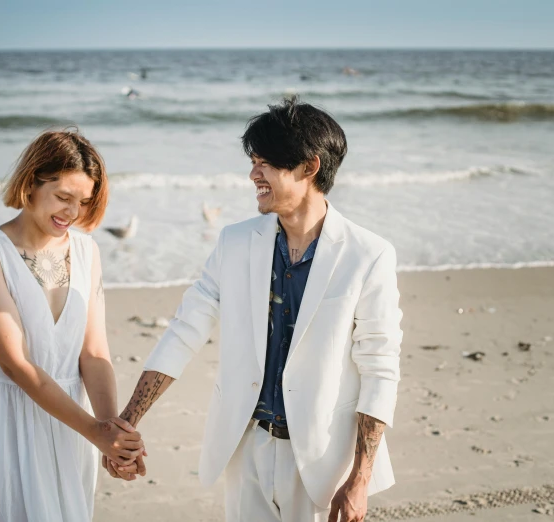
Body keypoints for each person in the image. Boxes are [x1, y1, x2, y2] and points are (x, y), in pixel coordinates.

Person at [109, 97, 403, 522]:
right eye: (253, 162)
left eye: (266, 163)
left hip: (323, 460)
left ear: (309, 167)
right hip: (245, 444)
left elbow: (380, 366)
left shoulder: (367, 255)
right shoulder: (235, 242)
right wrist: (129, 422)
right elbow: (184, 330)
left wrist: (359, 479)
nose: (253, 175)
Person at [0, 129, 145, 522]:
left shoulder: (86, 250)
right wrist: (95, 431)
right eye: (63, 197)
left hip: (72, 427)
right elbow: (15, 364)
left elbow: (95, 353)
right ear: (31, 182)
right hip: (4, 420)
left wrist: (109, 432)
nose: (72, 213)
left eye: (83, 203)